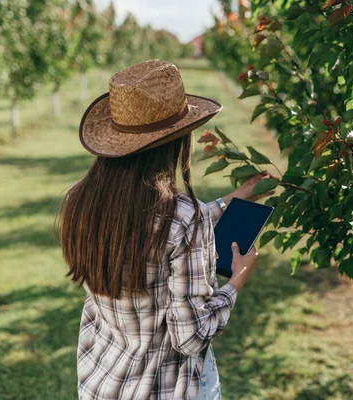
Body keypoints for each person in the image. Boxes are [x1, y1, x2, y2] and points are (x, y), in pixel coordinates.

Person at [58, 60, 275, 400]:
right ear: (178, 142)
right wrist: (236, 281)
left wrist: (228, 202)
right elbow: (190, 337)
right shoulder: (183, 219)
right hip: (164, 388)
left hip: (103, 378)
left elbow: (154, 228)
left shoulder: (80, 201)